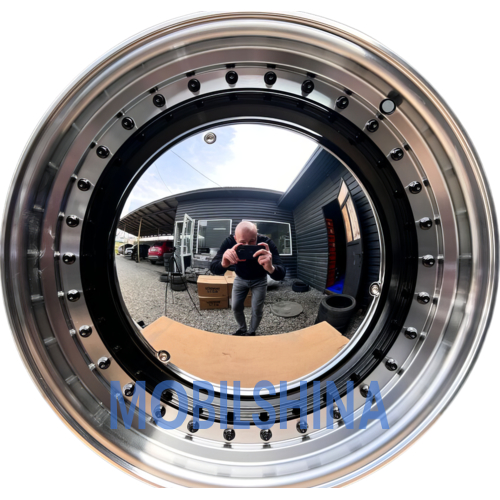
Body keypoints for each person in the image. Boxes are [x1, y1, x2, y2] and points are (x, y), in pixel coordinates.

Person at [210, 221, 286, 336]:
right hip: (240, 278)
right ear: (235, 239)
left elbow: (281, 274)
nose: (247, 245)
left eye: (252, 241)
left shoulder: (266, 243)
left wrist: (271, 268)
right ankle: (242, 329)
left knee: (257, 309)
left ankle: (251, 332)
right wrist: (223, 264)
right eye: (242, 242)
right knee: (235, 306)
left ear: (257, 236)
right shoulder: (229, 242)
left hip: (260, 279)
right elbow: (214, 268)